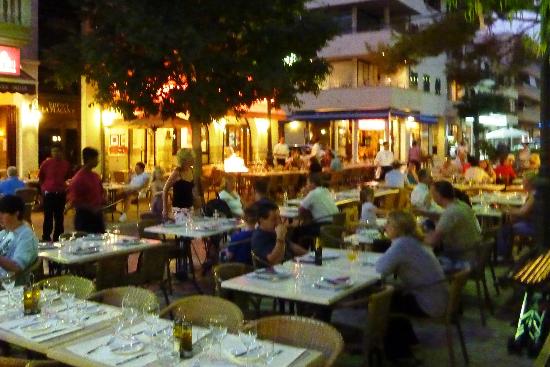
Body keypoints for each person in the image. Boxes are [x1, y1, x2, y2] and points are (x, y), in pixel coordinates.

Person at [376, 210, 448, 319]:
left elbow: (380, 270)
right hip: (438, 299)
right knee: (388, 292)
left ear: (398, 227)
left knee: (378, 301)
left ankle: (384, 333)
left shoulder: (402, 244)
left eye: (388, 223)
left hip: (428, 305)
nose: (385, 226)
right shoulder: (415, 240)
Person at [425, 181, 481, 270]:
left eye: (432, 194)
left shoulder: (450, 212)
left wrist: (414, 237)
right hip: (474, 254)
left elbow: (433, 241)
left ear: (438, 196)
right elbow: (446, 218)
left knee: (422, 264)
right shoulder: (462, 205)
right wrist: (425, 214)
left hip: (460, 258)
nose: (431, 197)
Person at [497, 173, 537, 260]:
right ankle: (508, 253)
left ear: (530, 183)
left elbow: (522, 212)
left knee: (505, 229)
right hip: (534, 223)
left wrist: (507, 209)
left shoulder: (534, 196)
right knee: (508, 223)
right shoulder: (534, 194)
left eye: (524, 182)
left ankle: (503, 256)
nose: (522, 184)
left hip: (534, 226)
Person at [0, 195, 38, 283]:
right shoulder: (6, 232)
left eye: (3, 213)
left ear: (16, 214)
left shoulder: (26, 236)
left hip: (8, 285)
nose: (0, 216)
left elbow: (16, 267)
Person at [38, 144, 72, 242]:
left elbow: (68, 178)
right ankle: (46, 237)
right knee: (48, 217)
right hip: (49, 193)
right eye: (54, 151)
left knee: (59, 217)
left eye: (58, 151)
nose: (56, 153)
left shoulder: (66, 164)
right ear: (51, 152)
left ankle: (58, 237)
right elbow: (41, 177)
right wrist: (43, 190)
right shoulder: (46, 164)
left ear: (62, 152)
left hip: (60, 193)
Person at [67, 147, 105, 233]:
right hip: (85, 217)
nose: (97, 161)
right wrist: (91, 208)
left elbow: (100, 194)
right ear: (89, 159)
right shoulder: (78, 178)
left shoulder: (95, 176)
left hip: (97, 215)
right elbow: (74, 201)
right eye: (96, 158)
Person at [163, 148, 197, 219]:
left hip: (190, 208)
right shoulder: (177, 173)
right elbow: (165, 189)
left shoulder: (191, 170)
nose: (194, 159)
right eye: (192, 157)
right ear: (185, 159)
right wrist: (165, 209)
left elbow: (192, 189)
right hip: (179, 210)